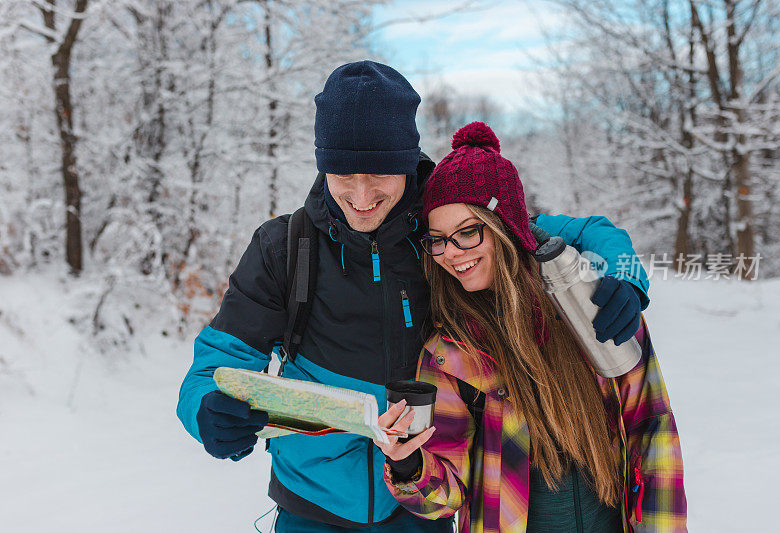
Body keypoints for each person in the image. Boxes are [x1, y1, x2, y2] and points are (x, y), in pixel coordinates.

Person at [177, 62, 652, 532]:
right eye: (343, 173)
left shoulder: (447, 223)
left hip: (424, 496)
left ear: (407, 160)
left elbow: (588, 231)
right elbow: (215, 364)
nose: (362, 196)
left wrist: (627, 276)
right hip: (312, 502)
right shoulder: (285, 248)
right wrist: (207, 411)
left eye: (380, 172)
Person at [376, 122, 687, 533]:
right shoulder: (449, 353)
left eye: (467, 233)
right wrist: (409, 463)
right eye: (437, 240)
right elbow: (444, 498)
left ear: (506, 227)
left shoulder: (592, 307)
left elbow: (653, 431)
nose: (450, 254)